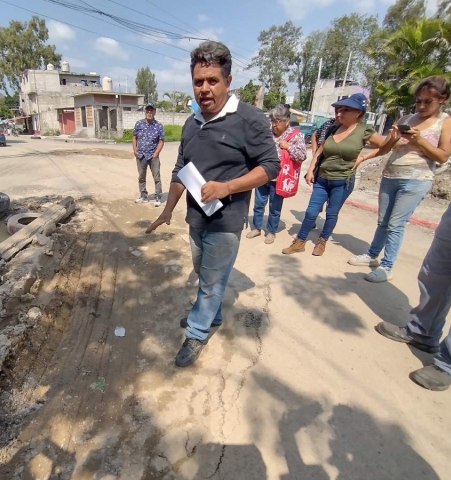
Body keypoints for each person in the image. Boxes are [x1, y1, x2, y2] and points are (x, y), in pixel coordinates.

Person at [145, 41, 279, 367]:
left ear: (228, 81)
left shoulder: (249, 120)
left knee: (211, 282)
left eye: (212, 81)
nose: (204, 89)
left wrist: (227, 187)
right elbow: (179, 171)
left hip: (227, 219)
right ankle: (212, 315)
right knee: (202, 272)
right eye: (198, 81)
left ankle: (197, 331)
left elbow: (270, 167)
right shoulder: (192, 123)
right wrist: (166, 210)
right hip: (197, 217)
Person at [374, 98, 451, 391]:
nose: (421, 104)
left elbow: (448, 148)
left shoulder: (442, 120)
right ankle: (422, 331)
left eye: (428, 100)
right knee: (436, 273)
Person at [349, 76, 451, 282]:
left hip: (417, 179)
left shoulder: (447, 121)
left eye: (428, 101)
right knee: (383, 220)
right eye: (418, 101)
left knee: (396, 224)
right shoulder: (405, 119)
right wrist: (394, 137)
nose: (422, 106)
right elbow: (385, 149)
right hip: (391, 174)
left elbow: (443, 156)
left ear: (443, 99)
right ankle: (372, 255)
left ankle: (387, 266)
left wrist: (420, 140)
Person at [282, 94, 386, 256]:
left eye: (346, 110)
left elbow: (385, 147)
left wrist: (363, 158)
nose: (339, 113)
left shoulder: (364, 131)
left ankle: (322, 241)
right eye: (339, 110)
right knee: (311, 212)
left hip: (342, 181)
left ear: (359, 112)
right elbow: (319, 153)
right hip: (322, 179)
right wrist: (310, 170)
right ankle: (300, 241)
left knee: (331, 213)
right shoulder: (333, 128)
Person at [246, 104, 306, 244]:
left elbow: (302, 156)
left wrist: (288, 147)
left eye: (277, 122)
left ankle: (271, 231)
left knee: (275, 207)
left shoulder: (295, 136)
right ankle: (256, 228)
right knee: (259, 204)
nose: (274, 125)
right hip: (263, 175)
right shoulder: (267, 135)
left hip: (280, 178)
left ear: (286, 121)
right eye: (272, 121)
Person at [133, 103, 165, 207]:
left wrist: (156, 153)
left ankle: (158, 197)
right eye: (147, 110)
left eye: (151, 110)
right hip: (141, 155)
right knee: (141, 177)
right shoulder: (139, 124)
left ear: (154, 112)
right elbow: (134, 138)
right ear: (145, 111)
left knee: (156, 177)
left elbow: (161, 141)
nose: (149, 112)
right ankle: (143, 196)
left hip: (153, 156)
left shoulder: (158, 125)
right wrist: (135, 150)